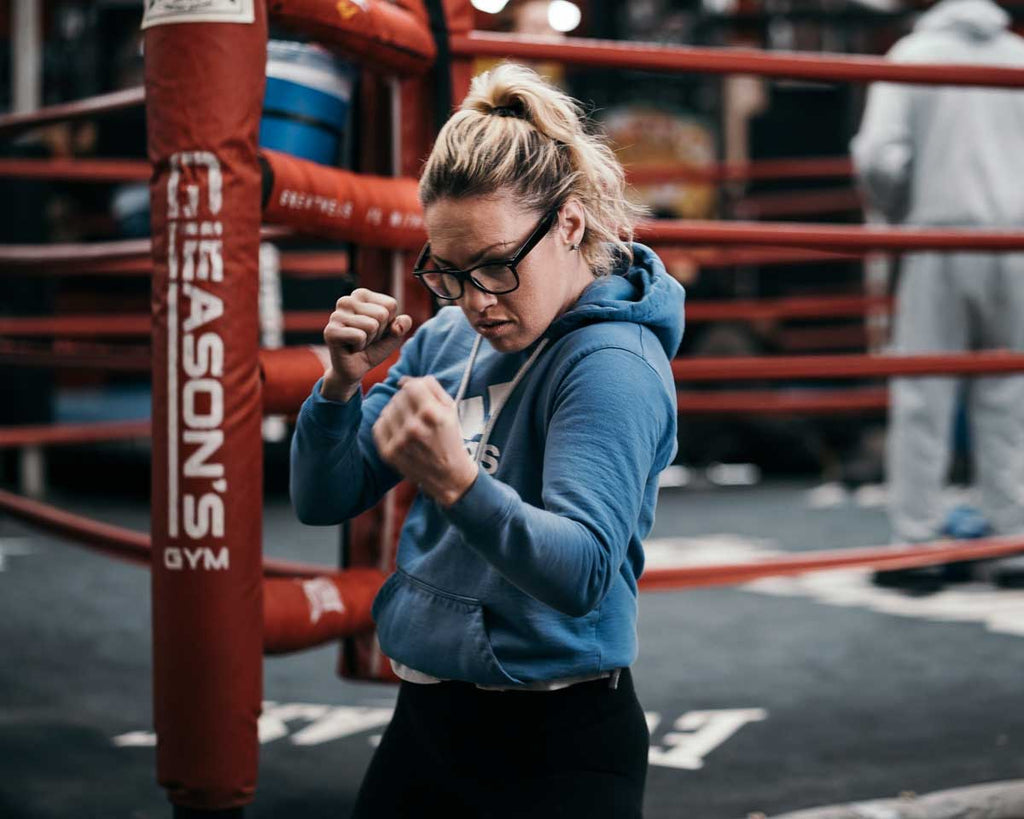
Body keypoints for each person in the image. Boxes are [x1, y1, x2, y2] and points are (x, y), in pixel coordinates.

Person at [290, 63, 684, 817]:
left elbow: (582, 574)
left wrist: (459, 486)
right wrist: (339, 387)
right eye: (450, 271)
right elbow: (323, 497)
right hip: (429, 719)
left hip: (559, 741)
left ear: (569, 223)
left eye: (498, 264)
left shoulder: (612, 366)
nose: (475, 300)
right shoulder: (443, 340)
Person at [851, 0, 1024, 588]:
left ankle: (917, 546)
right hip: (1016, 244)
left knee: (924, 395)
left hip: (940, 233)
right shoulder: (1017, 56)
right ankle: (1012, 546)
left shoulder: (915, 54)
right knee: (1010, 396)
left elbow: (879, 157)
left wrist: (900, 216)